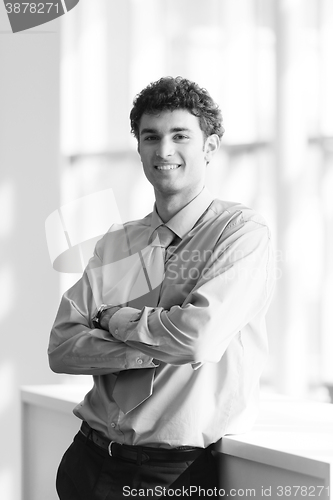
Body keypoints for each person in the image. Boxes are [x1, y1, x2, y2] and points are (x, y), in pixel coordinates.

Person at [49, 76, 275, 499]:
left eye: (180, 136)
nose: (164, 150)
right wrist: (154, 345)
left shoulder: (241, 232)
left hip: (171, 475)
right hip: (86, 459)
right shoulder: (119, 241)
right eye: (150, 137)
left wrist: (110, 319)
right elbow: (61, 347)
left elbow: (195, 338)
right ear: (138, 147)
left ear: (209, 147)